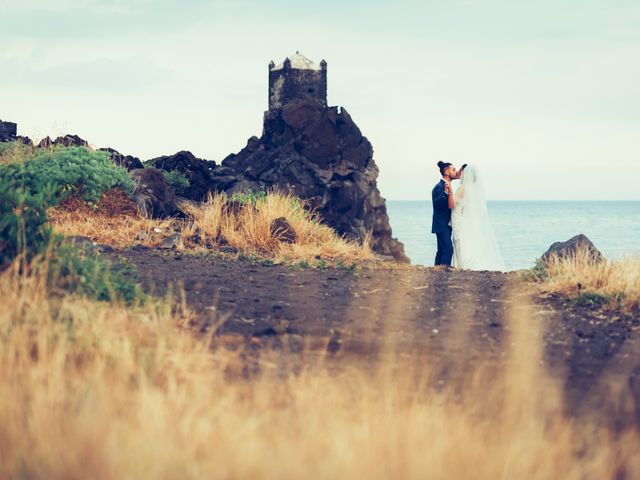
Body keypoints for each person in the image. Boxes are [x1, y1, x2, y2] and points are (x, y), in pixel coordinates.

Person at [451, 164, 505, 271]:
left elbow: (454, 202)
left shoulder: (462, 188)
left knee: (459, 241)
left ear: (465, 173)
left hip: (459, 219)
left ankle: (461, 265)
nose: (458, 172)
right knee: (464, 241)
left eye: (461, 170)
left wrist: (449, 192)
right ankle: (461, 264)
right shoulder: (472, 189)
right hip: (465, 218)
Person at [431, 161, 457, 266]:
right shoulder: (438, 186)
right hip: (441, 225)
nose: (455, 172)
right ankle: (444, 273)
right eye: (453, 169)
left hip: (445, 225)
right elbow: (437, 204)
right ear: (446, 172)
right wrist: (446, 193)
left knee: (441, 250)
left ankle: (436, 271)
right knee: (448, 250)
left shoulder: (447, 185)